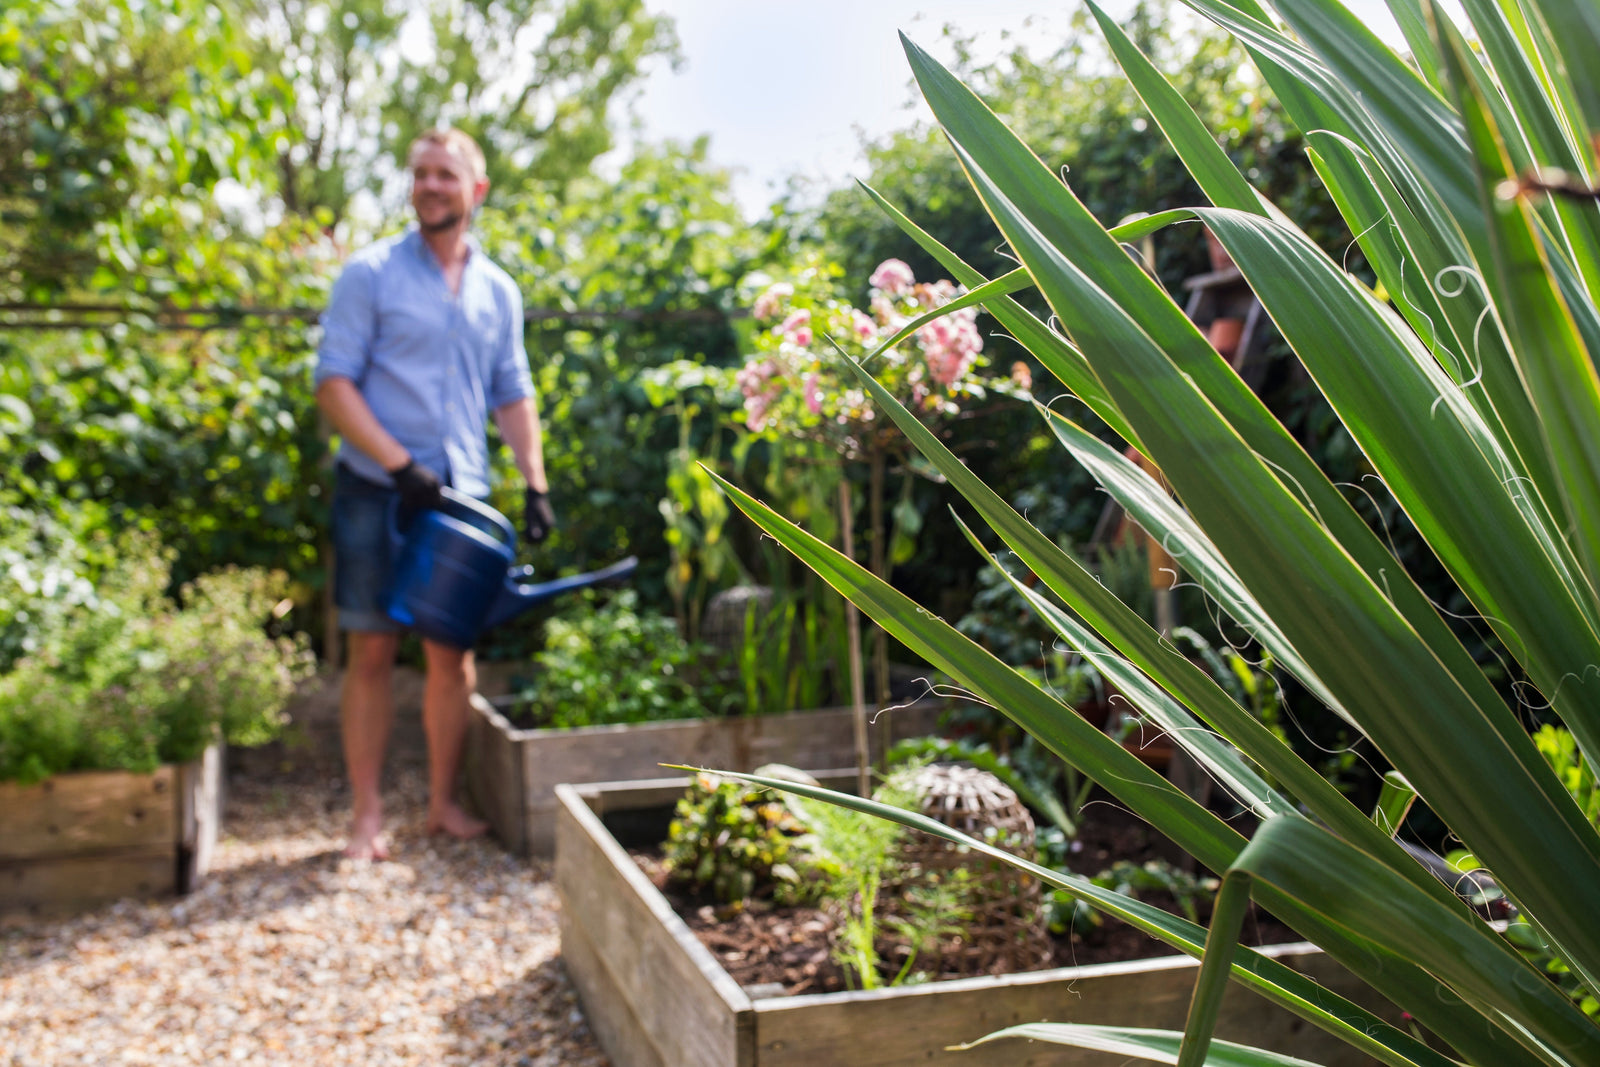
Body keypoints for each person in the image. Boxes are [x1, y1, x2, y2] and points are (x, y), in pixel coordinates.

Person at [313, 127, 556, 860]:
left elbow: (512, 391)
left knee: (452, 656)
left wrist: (535, 483)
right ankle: (365, 816)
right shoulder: (371, 273)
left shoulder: (497, 290)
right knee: (373, 649)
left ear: (475, 190)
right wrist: (396, 466)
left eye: (445, 174)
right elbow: (333, 383)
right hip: (375, 491)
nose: (430, 185)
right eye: (421, 174)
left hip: (460, 504)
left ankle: (444, 803)